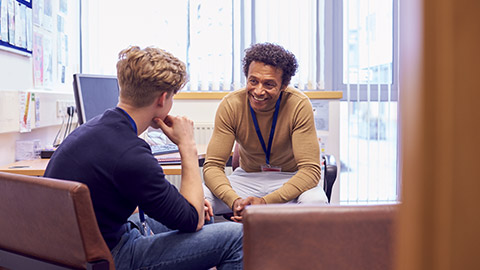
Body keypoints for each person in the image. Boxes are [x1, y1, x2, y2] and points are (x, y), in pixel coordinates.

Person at [44, 46, 243, 270]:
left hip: (71, 251)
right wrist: (187, 145)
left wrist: (188, 208)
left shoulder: (92, 129)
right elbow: (192, 221)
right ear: (163, 98)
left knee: (202, 215)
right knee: (238, 236)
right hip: (110, 257)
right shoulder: (131, 154)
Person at [203, 42, 327, 222]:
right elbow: (213, 166)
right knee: (199, 198)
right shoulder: (231, 104)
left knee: (316, 202)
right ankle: (216, 247)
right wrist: (235, 201)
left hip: (290, 178)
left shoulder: (299, 105)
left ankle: (299, 251)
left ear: (284, 85)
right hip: (247, 179)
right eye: (253, 81)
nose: (258, 91)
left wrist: (265, 202)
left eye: (269, 84)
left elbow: (310, 171)